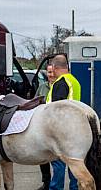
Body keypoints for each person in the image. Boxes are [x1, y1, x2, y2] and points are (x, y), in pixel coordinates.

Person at [46, 53, 82, 190]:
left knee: (58, 164)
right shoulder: (74, 81)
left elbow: (55, 110)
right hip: (74, 129)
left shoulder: (60, 83)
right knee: (74, 165)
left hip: (61, 132)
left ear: (54, 67)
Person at [34, 61, 56, 190]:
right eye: (49, 72)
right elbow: (35, 100)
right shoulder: (42, 87)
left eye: (53, 72)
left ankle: (57, 185)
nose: (51, 74)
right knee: (43, 156)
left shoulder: (60, 86)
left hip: (55, 125)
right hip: (42, 124)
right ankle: (46, 182)